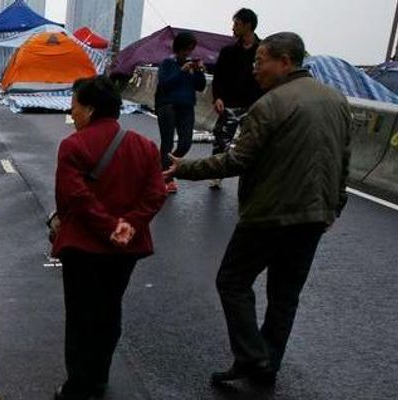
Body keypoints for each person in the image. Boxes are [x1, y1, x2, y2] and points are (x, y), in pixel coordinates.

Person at [165, 32, 351, 388]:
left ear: (285, 62)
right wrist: (334, 206)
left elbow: (237, 160)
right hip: (313, 216)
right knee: (285, 295)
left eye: (260, 61)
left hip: (269, 214)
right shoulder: (336, 99)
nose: (255, 69)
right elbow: (343, 158)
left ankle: (253, 356)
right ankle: (267, 364)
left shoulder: (269, 105)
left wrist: (184, 168)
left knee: (232, 281)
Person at [52, 76, 168, 400]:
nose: (72, 113)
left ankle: (78, 386)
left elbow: (74, 197)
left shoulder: (73, 146)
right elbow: (156, 193)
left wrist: (107, 226)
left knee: (80, 317)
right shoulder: (145, 146)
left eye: (74, 106)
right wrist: (128, 224)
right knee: (109, 309)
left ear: (89, 109)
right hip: (125, 249)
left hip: (84, 246)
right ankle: (99, 378)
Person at [209, 8, 264, 188]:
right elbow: (219, 77)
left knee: (254, 145)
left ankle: (251, 180)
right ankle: (216, 174)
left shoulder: (263, 51)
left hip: (256, 106)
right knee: (221, 141)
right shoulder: (228, 51)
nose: (233, 28)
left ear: (248, 26)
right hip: (230, 104)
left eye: (237, 24)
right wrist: (217, 97)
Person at [154, 32, 206, 194]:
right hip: (167, 105)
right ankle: (166, 177)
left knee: (185, 143)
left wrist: (199, 71)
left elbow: (200, 86)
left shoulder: (192, 66)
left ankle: (162, 169)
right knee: (167, 143)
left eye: (190, 50)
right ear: (179, 48)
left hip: (186, 106)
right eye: (185, 50)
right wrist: (181, 72)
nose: (188, 54)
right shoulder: (168, 64)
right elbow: (165, 84)